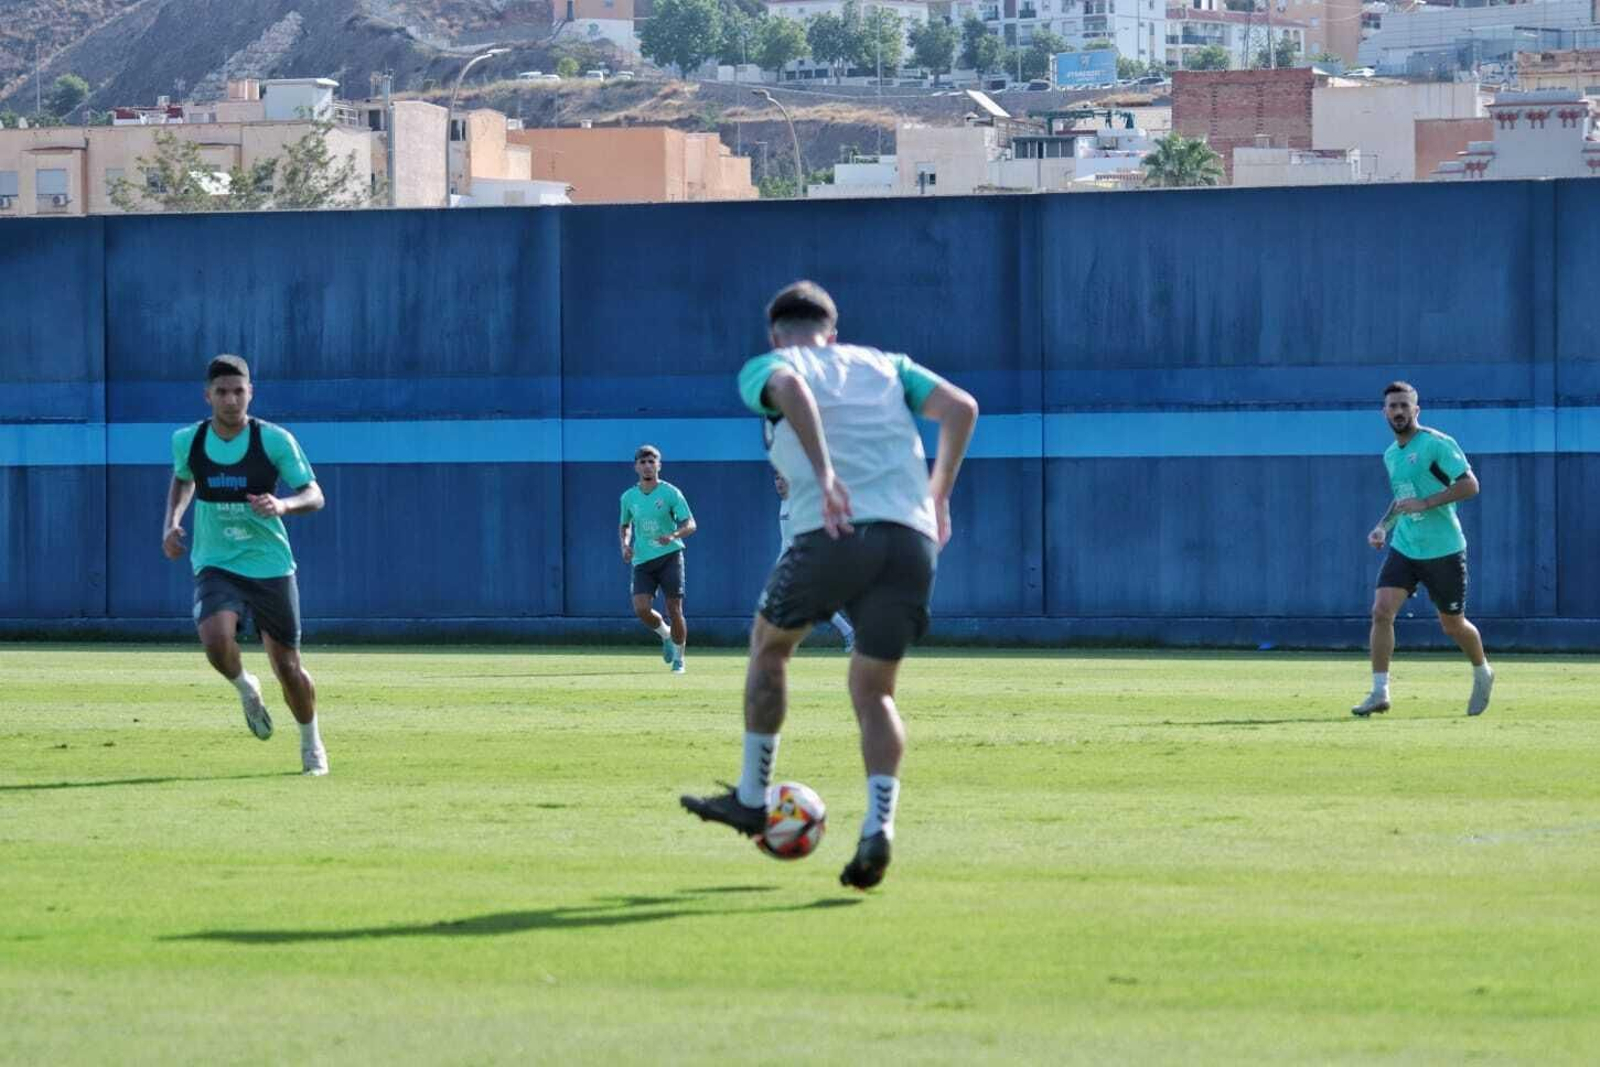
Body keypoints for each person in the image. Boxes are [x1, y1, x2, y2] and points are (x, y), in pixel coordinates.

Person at [681, 280, 979, 890]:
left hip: (833, 531)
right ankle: (879, 829)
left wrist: (824, 471)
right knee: (876, 692)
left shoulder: (772, 365)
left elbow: (789, 389)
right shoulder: (887, 365)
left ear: (775, 334)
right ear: (833, 332)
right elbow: (962, 407)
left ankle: (751, 796)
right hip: (911, 539)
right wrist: (939, 493)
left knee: (770, 648)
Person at [161, 354, 329, 775]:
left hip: (269, 565)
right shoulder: (188, 440)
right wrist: (173, 523)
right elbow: (184, 477)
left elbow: (314, 495)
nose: (231, 400)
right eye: (222, 392)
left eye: (239, 391)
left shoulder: (274, 440)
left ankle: (311, 743)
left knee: (287, 667)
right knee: (216, 642)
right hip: (216, 561)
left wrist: (283, 504)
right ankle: (245, 687)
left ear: (250, 392)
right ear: (208, 396)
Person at [1353, 381, 1493, 718]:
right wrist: (1382, 527)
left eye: (1404, 406)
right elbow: (1403, 499)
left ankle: (1483, 672)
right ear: (1384, 412)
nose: (1398, 412)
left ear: (1416, 410)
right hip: (1405, 548)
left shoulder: (1436, 444)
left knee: (1452, 625)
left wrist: (1426, 503)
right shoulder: (1391, 454)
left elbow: (1470, 485)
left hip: (1443, 549)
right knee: (1381, 611)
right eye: (1392, 406)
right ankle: (1379, 691)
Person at [619, 444, 695, 674]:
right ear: (636, 467)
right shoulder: (628, 497)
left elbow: (690, 524)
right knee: (641, 609)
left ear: (659, 465)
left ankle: (679, 659)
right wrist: (624, 544)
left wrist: (673, 535)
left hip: (670, 556)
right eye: (642, 462)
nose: (647, 466)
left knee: (674, 608)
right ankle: (665, 635)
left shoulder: (671, 493)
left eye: (651, 462)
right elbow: (625, 525)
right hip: (642, 560)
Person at [773, 469, 855, 653]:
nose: (779, 482)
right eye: (776, 478)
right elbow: (785, 539)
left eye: (783, 478)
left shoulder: (798, 503)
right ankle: (849, 632)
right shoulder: (784, 503)